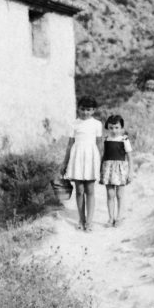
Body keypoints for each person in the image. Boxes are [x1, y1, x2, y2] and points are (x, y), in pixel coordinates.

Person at [63, 96, 103, 231]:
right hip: (77, 158)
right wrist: (65, 163)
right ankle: (81, 218)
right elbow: (70, 145)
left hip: (91, 157)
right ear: (78, 109)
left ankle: (89, 221)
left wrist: (101, 162)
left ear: (93, 110)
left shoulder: (97, 124)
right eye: (83, 109)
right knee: (79, 190)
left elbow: (99, 144)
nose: (85, 112)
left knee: (90, 190)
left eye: (89, 110)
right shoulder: (74, 124)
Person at [99, 114, 133, 227]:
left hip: (120, 170)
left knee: (119, 195)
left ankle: (119, 217)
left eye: (117, 128)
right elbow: (103, 156)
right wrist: (100, 170)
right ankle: (110, 218)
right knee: (110, 194)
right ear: (107, 128)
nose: (114, 130)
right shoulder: (106, 140)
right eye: (111, 128)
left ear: (122, 128)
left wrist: (130, 172)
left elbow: (129, 157)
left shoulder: (124, 139)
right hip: (107, 169)